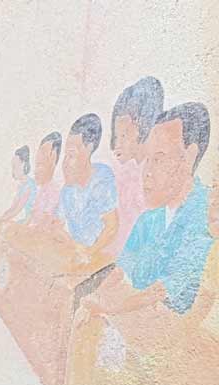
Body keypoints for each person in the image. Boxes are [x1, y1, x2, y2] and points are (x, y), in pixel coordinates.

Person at [84, 103, 213, 318]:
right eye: (148, 160)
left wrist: (109, 309)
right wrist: (93, 299)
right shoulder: (148, 220)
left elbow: (161, 291)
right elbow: (120, 271)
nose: (147, 172)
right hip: (135, 316)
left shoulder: (207, 217)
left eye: (159, 159)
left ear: (189, 157)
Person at [56, 113, 120, 264]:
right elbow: (56, 225)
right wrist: (73, 246)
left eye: (71, 155)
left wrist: (89, 252)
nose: (65, 163)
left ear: (88, 150)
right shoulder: (68, 190)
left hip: (99, 259)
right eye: (65, 156)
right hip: (76, 256)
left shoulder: (102, 178)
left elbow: (111, 227)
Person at [110, 77, 164, 251]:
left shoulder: (158, 177)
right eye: (117, 136)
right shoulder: (125, 175)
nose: (117, 145)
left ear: (144, 126)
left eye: (124, 136)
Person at [28, 131, 64, 226]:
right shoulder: (42, 188)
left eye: (40, 165)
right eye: (36, 164)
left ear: (53, 158)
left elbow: (45, 221)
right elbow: (33, 217)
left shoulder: (54, 190)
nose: (35, 171)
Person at [0, 146, 36, 222]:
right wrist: (3, 216)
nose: (13, 171)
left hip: (32, 222)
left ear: (23, 165)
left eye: (15, 167)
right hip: (27, 220)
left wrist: (3, 219)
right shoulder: (21, 186)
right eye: (12, 167)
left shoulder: (29, 186)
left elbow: (17, 210)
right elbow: (13, 207)